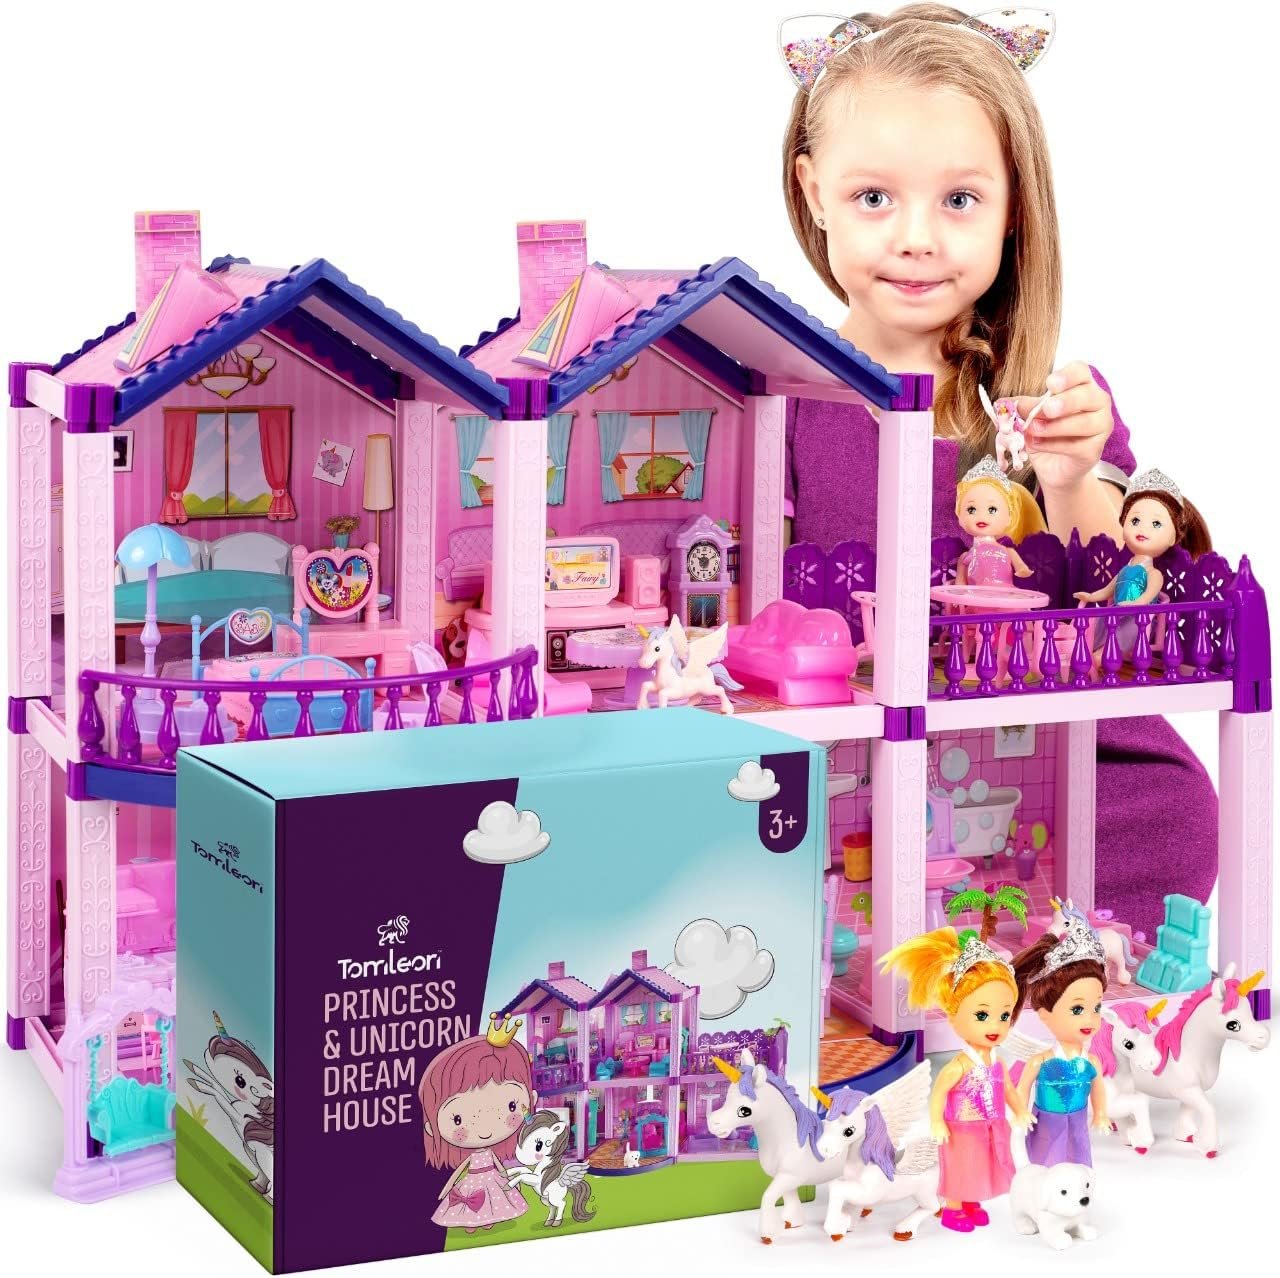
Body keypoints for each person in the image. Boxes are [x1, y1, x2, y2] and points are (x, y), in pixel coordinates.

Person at [779, 5, 1217, 937]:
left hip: (1050, 750)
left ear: (1014, 204)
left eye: (959, 200)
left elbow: (1121, 599)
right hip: (861, 753)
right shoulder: (782, 396)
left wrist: (1072, 477)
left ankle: (1045, 958)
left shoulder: (1051, 401)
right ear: (814, 192)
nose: (917, 238)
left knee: (1173, 812)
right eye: (873, 198)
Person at [878, 928, 1034, 1232]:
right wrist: (937, 1122)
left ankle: (972, 1201)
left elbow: (1008, 1088)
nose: (995, 1025)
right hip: (960, 1128)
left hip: (990, 1125)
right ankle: (953, 1208)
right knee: (961, 1167)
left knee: (982, 1165)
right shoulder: (959, 1065)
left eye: (1004, 1016)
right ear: (954, 1014)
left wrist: (1020, 1110)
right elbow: (938, 1094)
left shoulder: (996, 1061)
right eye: (982, 1015)